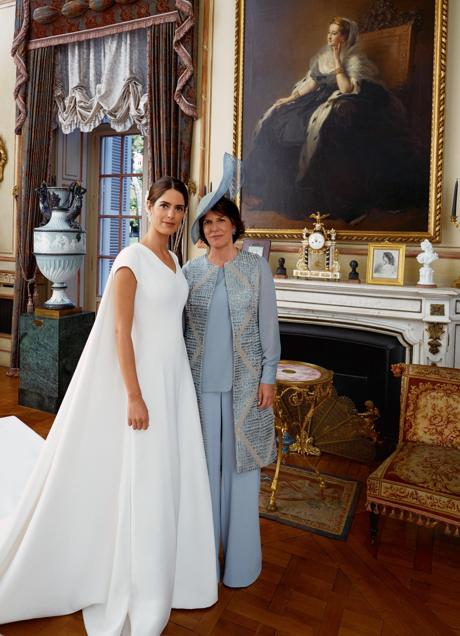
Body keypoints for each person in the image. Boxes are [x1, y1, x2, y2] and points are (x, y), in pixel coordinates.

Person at [0, 177, 217, 634]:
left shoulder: (175, 259)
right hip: (144, 384)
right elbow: (120, 332)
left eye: (179, 208)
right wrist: (135, 395)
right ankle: (139, 571)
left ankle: (175, 566)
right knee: (147, 471)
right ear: (148, 206)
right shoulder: (130, 261)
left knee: (170, 470)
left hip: (173, 378)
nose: (172, 215)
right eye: (164, 205)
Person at [183, 154, 281, 588]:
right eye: (207, 223)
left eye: (221, 221)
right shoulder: (189, 272)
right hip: (200, 386)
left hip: (246, 388)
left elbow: (268, 326)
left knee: (242, 474)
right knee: (204, 473)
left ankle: (240, 565)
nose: (215, 229)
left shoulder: (256, 268)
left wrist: (270, 376)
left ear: (234, 225)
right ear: (201, 231)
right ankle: (202, 563)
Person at [245, 16, 426, 223]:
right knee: (278, 117)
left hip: (348, 101)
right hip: (318, 99)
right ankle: (280, 193)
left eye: (334, 33)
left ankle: (323, 199)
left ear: (346, 37)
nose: (330, 37)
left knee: (323, 126)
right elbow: (311, 84)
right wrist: (290, 98)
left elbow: (347, 89)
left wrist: (339, 60)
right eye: (329, 33)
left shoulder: (355, 60)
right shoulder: (322, 58)